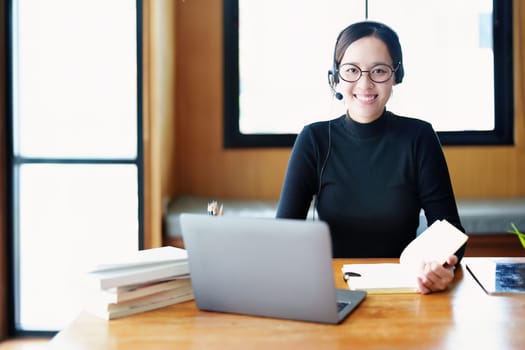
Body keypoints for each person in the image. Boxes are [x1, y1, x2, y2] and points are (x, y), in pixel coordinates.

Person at [276, 21, 465, 294]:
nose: (365, 83)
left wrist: (440, 267)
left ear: (396, 76)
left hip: (406, 290)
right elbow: (283, 235)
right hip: (332, 291)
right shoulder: (313, 139)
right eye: (352, 70)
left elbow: (451, 232)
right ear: (335, 77)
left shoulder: (419, 137)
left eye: (379, 70)